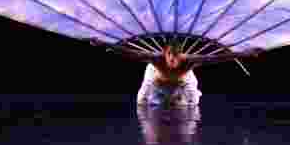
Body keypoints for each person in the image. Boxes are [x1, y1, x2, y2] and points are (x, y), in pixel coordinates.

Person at [93, 40, 262, 108]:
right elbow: (130, 53)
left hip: (183, 79)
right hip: (156, 78)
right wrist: (103, 43)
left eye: (176, 57)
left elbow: (217, 58)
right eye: (169, 56)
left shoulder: (189, 61)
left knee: (192, 104)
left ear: (180, 55)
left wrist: (244, 53)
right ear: (164, 53)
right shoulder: (156, 59)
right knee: (141, 102)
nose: (172, 60)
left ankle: (183, 98)